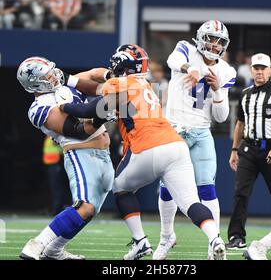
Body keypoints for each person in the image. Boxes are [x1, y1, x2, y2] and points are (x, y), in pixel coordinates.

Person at [60, 44, 227, 261]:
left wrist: (63, 105)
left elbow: (90, 110)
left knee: (120, 187)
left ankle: (140, 242)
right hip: (176, 145)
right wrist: (72, 81)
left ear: (119, 65)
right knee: (190, 203)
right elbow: (121, 106)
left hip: (147, 146)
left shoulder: (119, 84)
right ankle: (215, 238)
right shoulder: (146, 85)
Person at [153, 20, 237, 260]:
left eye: (219, 41)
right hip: (174, 131)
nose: (215, 44)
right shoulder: (185, 49)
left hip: (201, 132)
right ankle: (166, 236)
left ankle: (214, 243)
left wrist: (219, 91)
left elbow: (221, 118)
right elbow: (172, 61)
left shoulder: (227, 71)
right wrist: (189, 68)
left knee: (207, 187)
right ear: (201, 38)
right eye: (211, 38)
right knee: (166, 187)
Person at [16, 57, 114, 260]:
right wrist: (105, 110)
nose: (54, 75)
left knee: (89, 211)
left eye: (52, 71)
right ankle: (37, 244)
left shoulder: (63, 86)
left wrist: (113, 77)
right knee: (84, 207)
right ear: (35, 82)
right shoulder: (38, 108)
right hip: (82, 154)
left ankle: (54, 250)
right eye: (47, 75)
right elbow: (78, 131)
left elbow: (92, 74)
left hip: (104, 155)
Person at [226, 53, 271, 250]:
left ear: (269, 71)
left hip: (270, 148)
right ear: (251, 70)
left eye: (262, 68)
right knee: (240, 193)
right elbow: (240, 123)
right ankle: (236, 237)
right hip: (248, 148)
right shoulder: (246, 93)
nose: (259, 72)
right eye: (256, 68)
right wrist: (234, 149)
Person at [42, 136, 66, 215]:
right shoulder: (49, 135)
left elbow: (58, 143)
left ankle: (57, 209)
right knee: (54, 187)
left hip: (56, 162)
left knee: (57, 187)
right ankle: (55, 208)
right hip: (51, 163)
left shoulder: (56, 135)